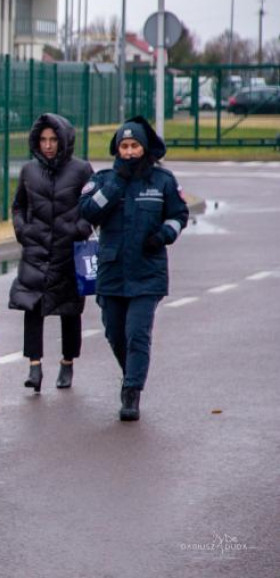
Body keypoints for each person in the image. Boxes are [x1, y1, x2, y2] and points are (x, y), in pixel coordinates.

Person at [80, 117, 188, 421]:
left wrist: (165, 234)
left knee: (137, 333)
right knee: (115, 333)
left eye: (134, 145)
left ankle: (131, 392)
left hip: (147, 271)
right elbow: (88, 211)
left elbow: (179, 215)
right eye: (124, 146)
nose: (129, 152)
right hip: (112, 271)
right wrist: (116, 183)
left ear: (145, 147)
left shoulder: (162, 181)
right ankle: (131, 373)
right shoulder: (103, 180)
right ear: (117, 149)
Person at [8, 114, 94, 392]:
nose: (48, 145)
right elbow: (19, 205)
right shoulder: (29, 171)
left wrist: (79, 229)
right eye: (43, 139)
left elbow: (93, 207)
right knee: (32, 307)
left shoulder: (81, 170)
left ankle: (67, 363)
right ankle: (34, 366)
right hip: (36, 251)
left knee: (70, 310)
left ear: (64, 140)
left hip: (69, 252)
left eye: (53, 139)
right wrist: (23, 231)